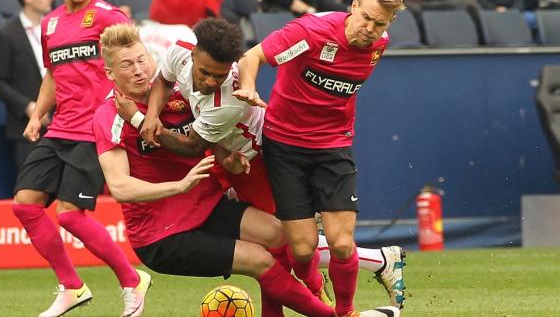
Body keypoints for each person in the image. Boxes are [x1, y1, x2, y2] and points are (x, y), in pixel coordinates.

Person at [120, 17, 406, 311]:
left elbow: (192, 147)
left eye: (217, 76)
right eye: (204, 72)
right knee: (277, 245)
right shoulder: (179, 50)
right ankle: (374, 263)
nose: (208, 81)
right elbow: (164, 82)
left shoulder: (226, 101)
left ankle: (330, 289)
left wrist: (140, 120)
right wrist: (153, 114)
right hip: (225, 155)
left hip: (257, 162)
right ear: (193, 53)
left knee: (281, 246)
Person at [93, 23, 338, 317]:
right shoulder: (109, 115)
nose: (138, 70)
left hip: (206, 203)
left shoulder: (190, 96)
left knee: (282, 236)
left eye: (142, 59)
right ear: (110, 73)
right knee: (261, 259)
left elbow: (198, 140)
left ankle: (317, 289)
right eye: (127, 65)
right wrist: (179, 186)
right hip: (161, 235)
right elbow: (120, 188)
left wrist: (223, 155)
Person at [235, 0, 405, 316]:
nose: (371, 28)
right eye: (366, 18)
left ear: (389, 24)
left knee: (342, 244)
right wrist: (250, 88)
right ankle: (318, 293)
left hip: (333, 146)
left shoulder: (379, 45)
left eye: (380, 24)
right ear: (353, 6)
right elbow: (251, 56)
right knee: (301, 249)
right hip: (284, 146)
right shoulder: (310, 33)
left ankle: (345, 312)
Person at [10, 0, 150, 317]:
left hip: (93, 129)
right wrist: (36, 114)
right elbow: (53, 74)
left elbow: (138, 65)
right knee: (25, 205)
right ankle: (72, 286)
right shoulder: (51, 23)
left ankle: (132, 280)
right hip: (59, 129)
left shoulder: (109, 16)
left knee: (70, 217)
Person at [0, 0, 53, 175]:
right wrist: (28, 106)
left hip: (60, 121)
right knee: (31, 187)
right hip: (26, 128)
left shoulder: (55, 28)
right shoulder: (6, 34)